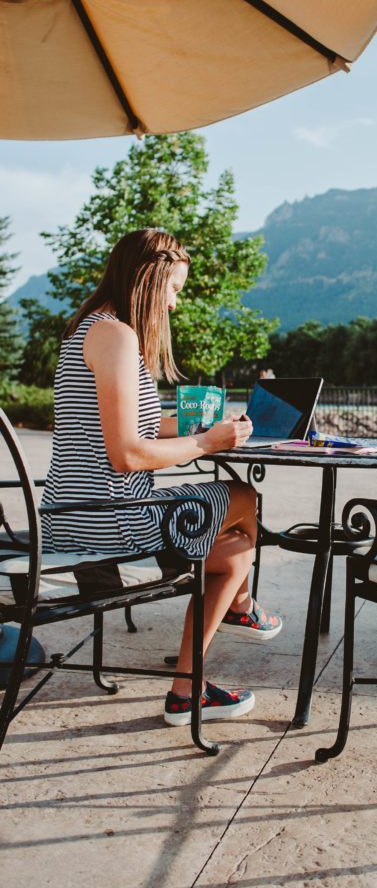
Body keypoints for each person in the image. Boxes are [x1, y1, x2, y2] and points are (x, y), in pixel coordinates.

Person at [41, 228, 282, 727]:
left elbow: (135, 426)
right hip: (107, 530)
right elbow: (127, 453)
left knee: (236, 551)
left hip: (85, 517)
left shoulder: (92, 328)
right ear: (149, 280)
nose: (173, 304)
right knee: (241, 496)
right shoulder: (115, 335)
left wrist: (207, 429)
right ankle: (243, 608)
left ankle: (186, 693)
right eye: (173, 289)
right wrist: (207, 444)